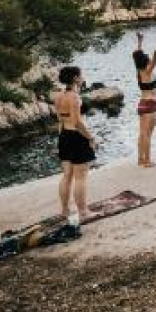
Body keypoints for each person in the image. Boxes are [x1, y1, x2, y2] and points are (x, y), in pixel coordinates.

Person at [54, 66, 98, 222]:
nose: (83, 78)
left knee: (66, 175)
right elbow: (77, 122)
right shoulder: (74, 97)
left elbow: (60, 121)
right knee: (80, 177)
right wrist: (91, 138)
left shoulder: (58, 96)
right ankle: (83, 212)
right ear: (75, 78)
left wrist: (60, 140)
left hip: (64, 136)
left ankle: (65, 211)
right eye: (81, 75)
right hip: (76, 137)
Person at [132, 31, 156, 168]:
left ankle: (140, 159)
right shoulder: (148, 71)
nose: (150, 59)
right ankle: (147, 161)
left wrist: (140, 41)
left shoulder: (139, 72)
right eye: (148, 58)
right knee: (147, 134)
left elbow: (137, 56)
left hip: (142, 104)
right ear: (147, 62)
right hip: (150, 104)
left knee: (142, 133)